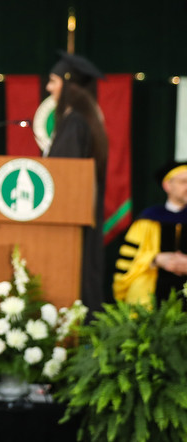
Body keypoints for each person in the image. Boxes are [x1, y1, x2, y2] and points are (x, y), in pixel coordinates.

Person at [44, 51, 108, 315]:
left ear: (69, 84)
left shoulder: (76, 122)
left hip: (70, 222)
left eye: (53, 81)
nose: (48, 88)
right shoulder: (84, 119)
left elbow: (64, 176)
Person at [113, 161, 187, 305]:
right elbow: (128, 261)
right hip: (150, 298)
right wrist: (156, 259)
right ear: (167, 185)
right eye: (183, 182)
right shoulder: (148, 220)